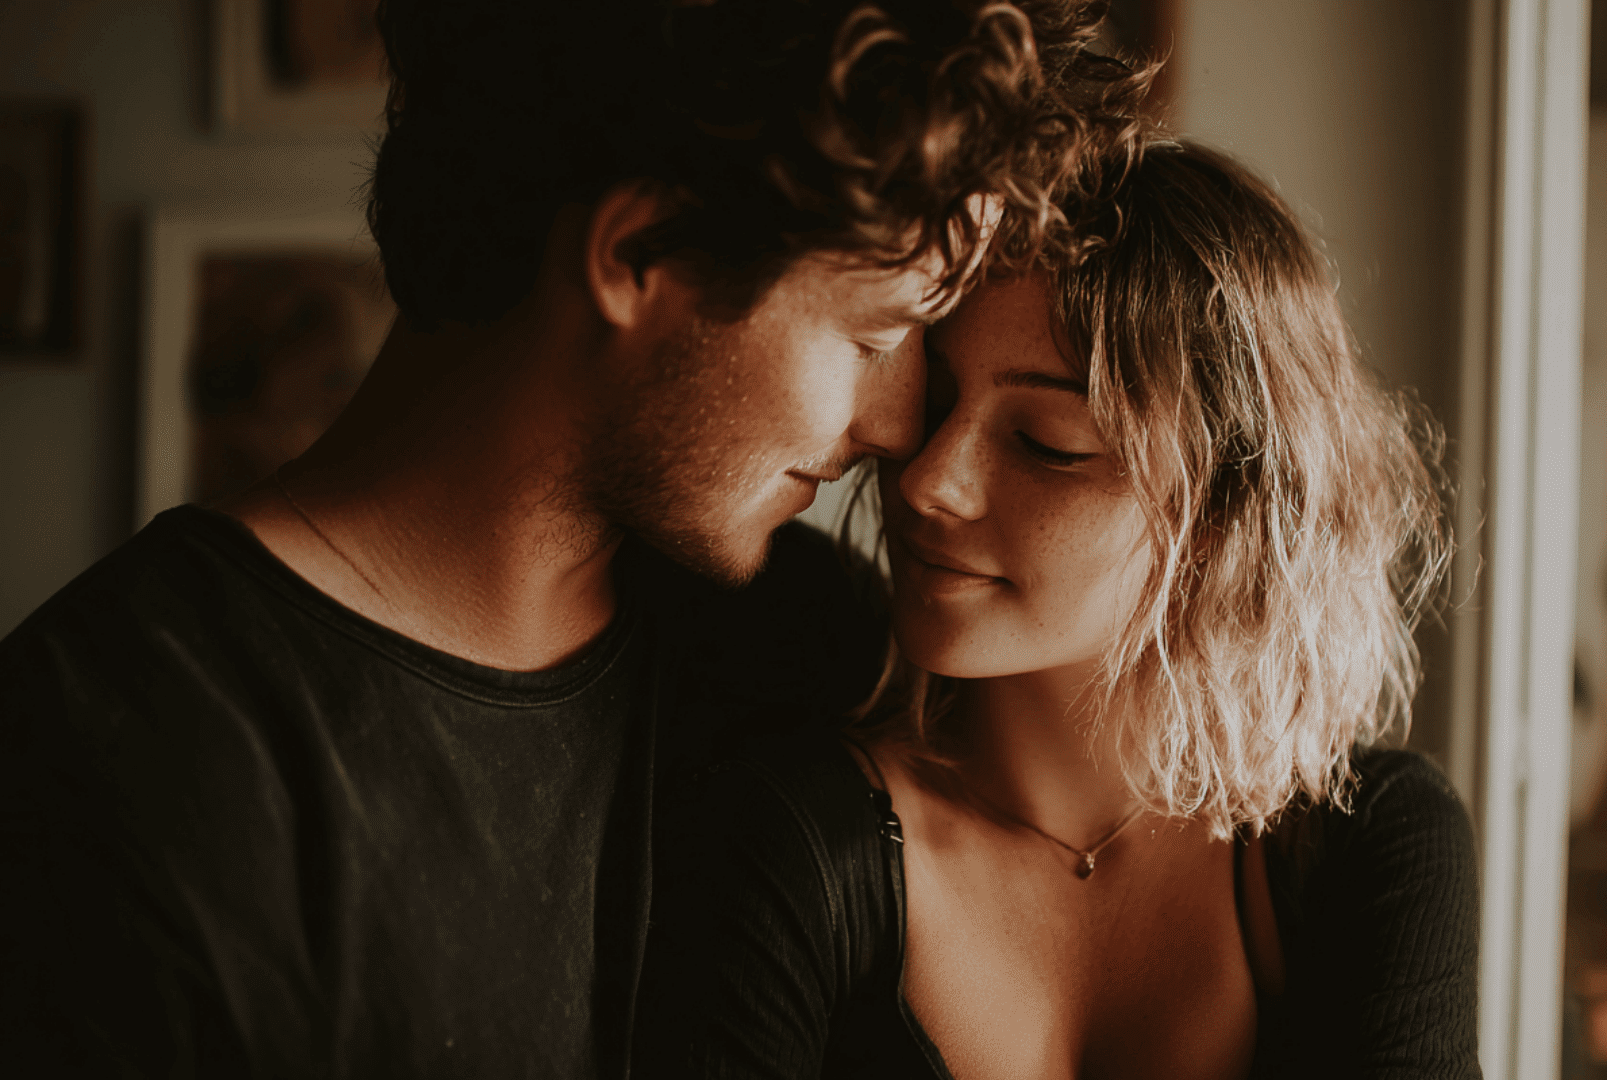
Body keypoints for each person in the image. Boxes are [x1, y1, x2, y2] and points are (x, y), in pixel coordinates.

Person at [0, 1, 1145, 1074]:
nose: (901, 429)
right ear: (637, 256)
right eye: (873, 334)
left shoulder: (811, 644)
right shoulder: (113, 766)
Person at [635, 141, 1480, 1078]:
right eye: (938, 396)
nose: (927, 480)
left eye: (1047, 444)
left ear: (1224, 515)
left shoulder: (1367, 843)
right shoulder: (795, 841)